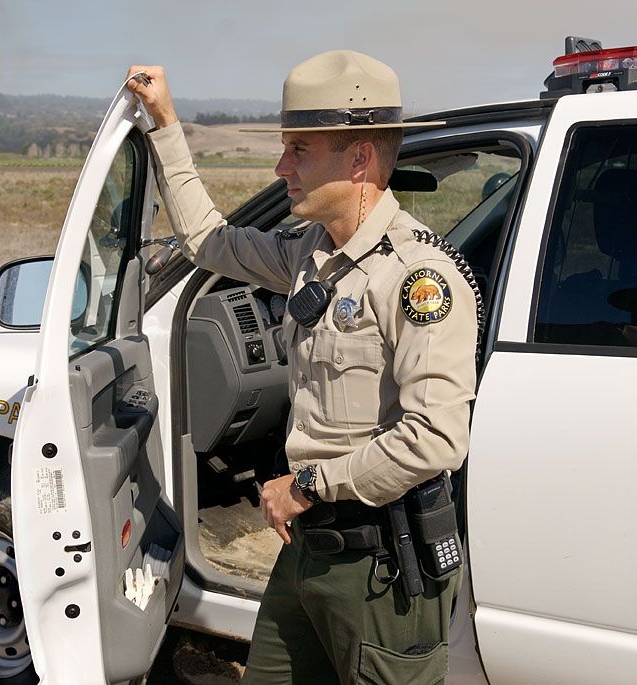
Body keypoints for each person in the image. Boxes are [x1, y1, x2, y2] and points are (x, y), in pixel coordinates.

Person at [127, 50, 478, 685]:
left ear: (360, 160)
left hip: (380, 565)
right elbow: (210, 241)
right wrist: (166, 124)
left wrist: (306, 486)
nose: (282, 167)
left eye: (300, 150)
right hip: (307, 546)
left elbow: (436, 439)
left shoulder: (418, 279)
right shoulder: (309, 255)